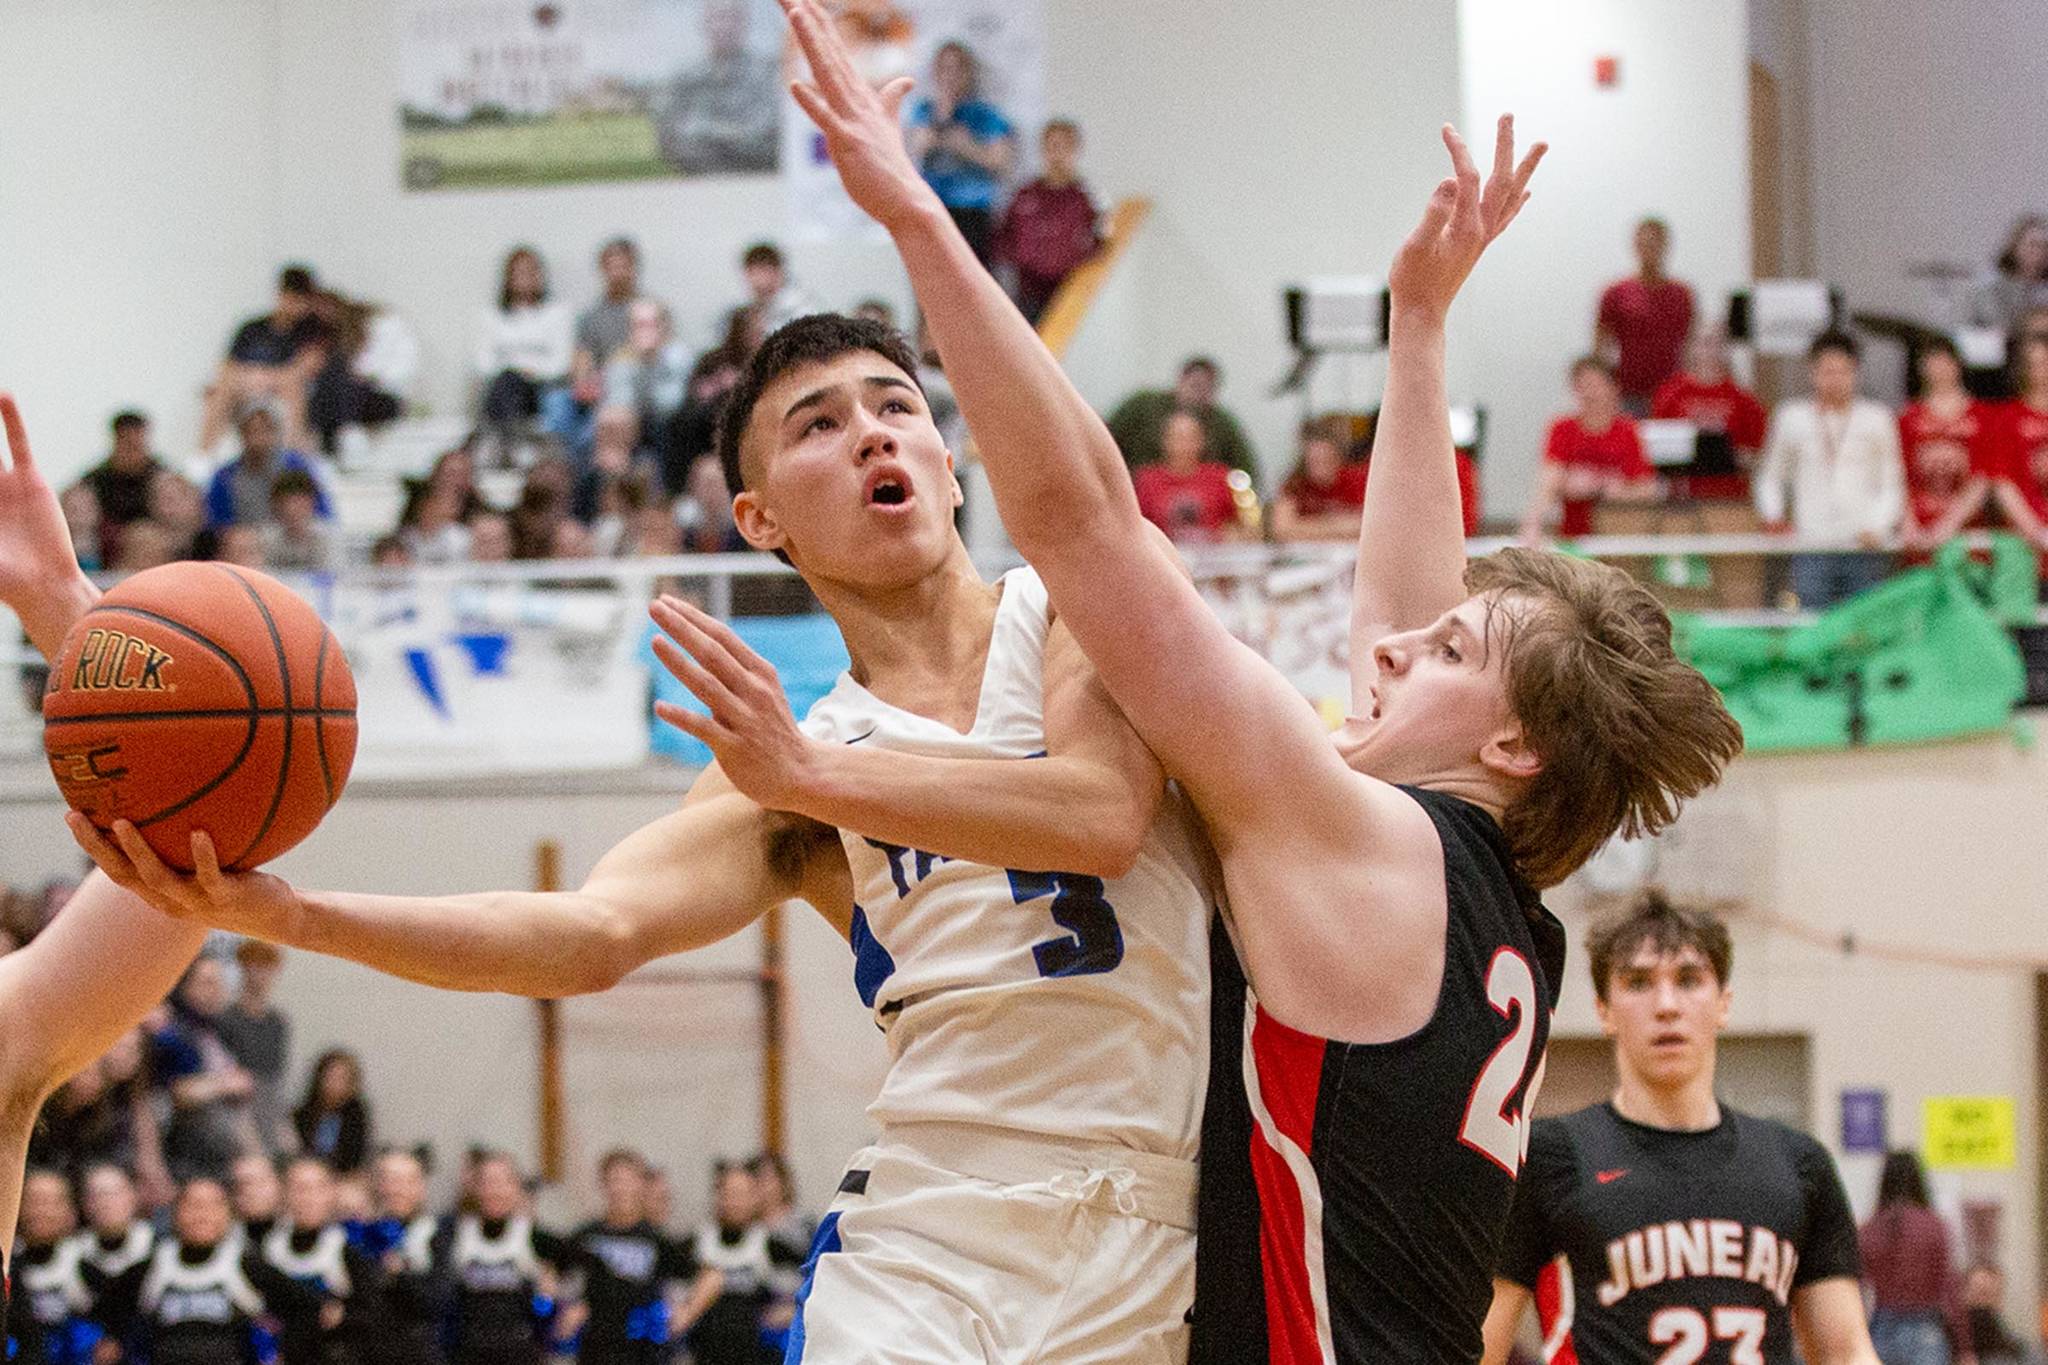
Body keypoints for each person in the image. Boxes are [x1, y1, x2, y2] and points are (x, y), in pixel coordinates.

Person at [771, 25, 1738, 1365]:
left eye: (1451, 657)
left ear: (1511, 741)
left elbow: (1085, 524)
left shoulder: (1365, 845)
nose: (1395, 653)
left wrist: (919, 216)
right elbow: (1399, 607)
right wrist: (1420, 326)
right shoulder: (1488, 904)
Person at [73, 285, 1222, 1365]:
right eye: (818, 424)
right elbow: (587, 931)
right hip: (929, 1234)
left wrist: (812, 775)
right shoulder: (788, 766)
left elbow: (1102, 815)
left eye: (895, 406)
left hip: (1162, 1224)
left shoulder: (1077, 607)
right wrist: (298, 913)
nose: (872, 434)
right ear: (756, 517)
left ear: (949, 459)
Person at [1481, 895, 1877, 1365]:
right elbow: (1482, 1343)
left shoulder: (1798, 1164)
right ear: (1604, 1010)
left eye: (1689, 981)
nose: (1666, 1005)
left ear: (1724, 1003)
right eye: (1639, 983)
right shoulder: (1550, 1156)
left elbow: (1846, 1351)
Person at [107, 1175, 333, 1365]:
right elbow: (103, 1315)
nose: (202, 1215)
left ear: (228, 1214)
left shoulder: (246, 1265)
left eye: (213, 1205)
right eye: (192, 1205)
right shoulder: (152, 1267)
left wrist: (285, 1353)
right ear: (175, 1213)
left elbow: (309, 1310)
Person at [1754, 331, 1905, 608]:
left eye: (1842, 371)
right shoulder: (1791, 416)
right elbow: (1771, 476)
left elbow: (1892, 482)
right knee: (1813, 627)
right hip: (1811, 543)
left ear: (1855, 372)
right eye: (1827, 371)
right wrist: (1773, 515)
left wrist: (1879, 526)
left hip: (1864, 544)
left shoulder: (1877, 418)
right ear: (1812, 372)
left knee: (1864, 629)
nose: (1835, 379)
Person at [558, 1149, 719, 1365]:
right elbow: (552, 1269)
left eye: (629, 1180)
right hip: (596, 1348)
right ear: (603, 1184)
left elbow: (712, 1277)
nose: (621, 1189)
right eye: (615, 1180)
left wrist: (686, 1314)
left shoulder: (656, 1239)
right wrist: (565, 1307)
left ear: (641, 1185)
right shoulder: (586, 1235)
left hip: (644, 1350)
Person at [440, 1152, 565, 1365]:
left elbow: (553, 1306)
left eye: (502, 1182)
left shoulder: (538, 1237)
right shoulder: (455, 1233)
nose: (494, 1191)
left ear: (516, 1187)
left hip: (521, 1351)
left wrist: (549, 1300)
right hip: (470, 1352)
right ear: (475, 1188)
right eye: (487, 1182)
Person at [1521, 356, 1659, 541]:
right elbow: (1548, 482)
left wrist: (1611, 490)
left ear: (1613, 388)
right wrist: (1532, 524)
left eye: (1595, 385)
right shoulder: (1562, 429)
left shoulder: (1628, 431)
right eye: (1582, 386)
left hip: (1618, 534)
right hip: (1574, 535)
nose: (1589, 394)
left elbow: (1648, 488)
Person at [261, 1156, 382, 1365]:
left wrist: (343, 1316)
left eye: (318, 1188)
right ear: (284, 1192)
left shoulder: (350, 1246)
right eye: (299, 1188)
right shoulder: (270, 1247)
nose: (308, 1198)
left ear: (332, 1192)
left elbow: (374, 1314)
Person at [904, 41, 1015, 263]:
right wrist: (942, 116)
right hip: (931, 209)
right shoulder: (924, 111)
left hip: (972, 212)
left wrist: (967, 147)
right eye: (944, 69)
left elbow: (1001, 160)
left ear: (969, 72)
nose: (951, 76)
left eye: (957, 69)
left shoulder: (985, 114)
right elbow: (914, 149)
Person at [155, 957, 264, 1179]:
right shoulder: (172, 1033)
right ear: (184, 986)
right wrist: (224, 1084)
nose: (216, 990)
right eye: (207, 983)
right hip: (185, 1156)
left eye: (219, 983)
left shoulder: (221, 1031)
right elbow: (177, 1092)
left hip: (225, 1153)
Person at [201, 264, 329, 452]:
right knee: (220, 388)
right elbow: (227, 366)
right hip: (248, 384)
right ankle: (204, 454)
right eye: (290, 298)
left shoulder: (311, 331)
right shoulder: (252, 328)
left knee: (292, 384)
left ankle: (290, 452)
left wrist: (266, 378)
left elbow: (306, 367)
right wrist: (252, 378)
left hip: (287, 388)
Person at [655, 0, 781, 175]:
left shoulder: (766, 71)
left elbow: (768, 128)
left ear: (744, 23)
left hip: (758, 176)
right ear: (704, 23)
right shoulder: (684, 76)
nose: (725, 26)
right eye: (718, 18)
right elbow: (672, 131)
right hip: (700, 178)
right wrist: (732, 135)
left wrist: (710, 133)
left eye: (732, 18)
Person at [996, 119, 1101, 324]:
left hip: (1069, 291)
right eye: (1052, 146)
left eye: (1064, 146)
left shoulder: (1088, 199)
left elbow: (1100, 242)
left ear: (1075, 150)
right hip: (1028, 291)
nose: (1057, 154)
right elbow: (1005, 238)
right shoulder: (1025, 195)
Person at [1861, 1151, 1963, 1365]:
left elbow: (1859, 1288)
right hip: (1926, 1328)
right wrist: (1964, 1346)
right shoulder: (1934, 1226)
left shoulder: (1869, 1228)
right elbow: (1949, 1287)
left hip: (1881, 1328)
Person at [1899, 337, 1997, 555]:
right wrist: (1909, 526)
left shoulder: (1982, 417)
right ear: (1921, 369)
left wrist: (1947, 527)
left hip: (1968, 537)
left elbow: (1983, 478)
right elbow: (1900, 477)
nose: (1939, 370)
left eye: (1945, 363)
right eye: (1932, 363)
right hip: (1919, 536)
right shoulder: (1908, 418)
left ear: (1957, 365)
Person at [1650, 326, 1768, 501]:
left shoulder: (1745, 401)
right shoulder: (1669, 395)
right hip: (1683, 499)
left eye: (1717, 343)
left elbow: (1762, 456)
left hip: (1728, 499)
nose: (1710, 350)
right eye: (1703, 342)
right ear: (1690, 347)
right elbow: (1655, 451)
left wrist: (1731, 457)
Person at [689, 1161, 789, 1365]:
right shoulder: (697, 1243)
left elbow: (812, 1283)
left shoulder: (770, 1244)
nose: (734, 1202)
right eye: (728, 1193)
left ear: (755, 1197)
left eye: (742, 1194)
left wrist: (790, 1310)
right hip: (706, 1354)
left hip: (755, 1355)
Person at [8, 1167, 108, 1365]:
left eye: (52, 1202)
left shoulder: (90, 1264)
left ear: (71, 1210)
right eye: (34, 1201)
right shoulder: (8, 1265)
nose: (42, 1211)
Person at [1596, 217, 1695, 414]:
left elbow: (1690, 345)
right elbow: (1601, 346)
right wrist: (1604, 392)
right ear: (1635, 246)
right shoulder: (1616, 293)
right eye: (1644, 243)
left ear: (1665, 246)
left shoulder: (1681, 294)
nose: (1649, 249)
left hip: (1673, 394)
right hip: (1628, 394)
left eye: (1655, 243)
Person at [1105, 357, 1260, 477]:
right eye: (1195, 385)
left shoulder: (1223, 424)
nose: (1198, 394)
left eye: (1207, 388)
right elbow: (1106, 440)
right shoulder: (1142, 406)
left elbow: (1245, 470)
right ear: (1181, 381)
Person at [476, 246, 574, 433]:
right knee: (508, 383)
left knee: (514, 385)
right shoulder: (491, 316)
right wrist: (514, 370)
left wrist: (529, 371)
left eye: (531, 271)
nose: (525, 278)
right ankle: (511, 437)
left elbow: (561, 364)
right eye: (519, 272)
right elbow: (483, 363)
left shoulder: (557, 314)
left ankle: (510, 440)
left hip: (541, 388)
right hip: (502, 385)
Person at [215, 940, 294, 1154]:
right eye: (254, 964)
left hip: (269, 1103)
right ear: (243, 967)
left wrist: (285, 1128)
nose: (260, 972)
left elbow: (277, 1079)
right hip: (235, 1107)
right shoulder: (226, 1018)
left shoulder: (278, 1022)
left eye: (267, 965)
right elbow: (224, 1073)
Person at [204, 402, 332, 529]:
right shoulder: (225, 477)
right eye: (251, 430)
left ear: (277, 432)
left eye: (266, 429)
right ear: (241, 433)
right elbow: (217, 525)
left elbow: (323, 515)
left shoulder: (297, 467)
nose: (258, 437)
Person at [1133, 409, 1245, 544]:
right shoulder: (1148, 480)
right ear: (1165, 441)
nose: (1184, 444)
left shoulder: (1219, 476)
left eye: (1190, 437)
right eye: (1178, 437)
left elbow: (1239, 525)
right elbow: (1137, 527)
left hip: (1213, 558)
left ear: (1201, 441)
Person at [75, 410, 171, 561]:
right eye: (128, 444)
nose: (133, 451)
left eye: (138, 444)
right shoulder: (96, 480)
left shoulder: (162, 477)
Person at [1993, 333, 2048, 576]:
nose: (2042, 371)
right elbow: (2003, 483)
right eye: (2034, 364)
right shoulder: (2008, 419)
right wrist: (2037, 532)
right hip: (2023, 548)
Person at [1271, 416, 1367, 542]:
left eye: (1326, 461)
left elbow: (1366, 526)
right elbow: (1281, 529)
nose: (1320, 468)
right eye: (1314, 461)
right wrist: (1335, 524)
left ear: (1338, 459)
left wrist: (1305, 526)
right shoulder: (1295, 483)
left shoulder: (1356, 479)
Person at [293, 1050, 373, 1177]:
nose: (335, 1083)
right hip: (307, 1174)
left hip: (344, 1177)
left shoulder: (357, 1115)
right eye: (330, 1076)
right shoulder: (302, 1113)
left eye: (342, 1078)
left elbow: (357, 1158)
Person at [1970, 216, 2048, 339]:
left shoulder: (2043, 289)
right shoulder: (1991, 286)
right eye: (2033, 245)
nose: (2039, 252)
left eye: (2044, 247)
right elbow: (1993, 323)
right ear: (2015, 247)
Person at [263, 468, 341, 573]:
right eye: (286, 505)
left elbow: (333, 575)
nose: (293, 511)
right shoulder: (266, 539)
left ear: (311, 504)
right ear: (276, 507)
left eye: (299, 506)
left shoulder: (327, 538)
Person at [739, 242, 821, 337]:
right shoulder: (756, 308)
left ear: (776, 271)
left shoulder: (804, 309)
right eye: (748, 273)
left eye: (755, 272)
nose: (751, 280)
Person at [232, 1152, 285, 1247]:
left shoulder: (298, 1230)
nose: (250, 1191)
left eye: (260, 1183)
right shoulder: (225, 1239)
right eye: (242, 1184)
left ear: (278, 1184)